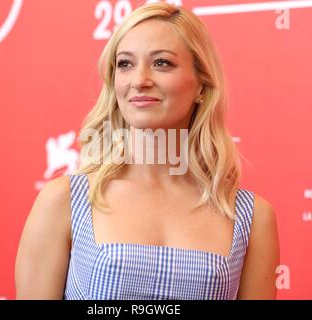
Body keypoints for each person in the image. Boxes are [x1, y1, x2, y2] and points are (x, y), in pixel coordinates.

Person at [15, 2, 280, 300]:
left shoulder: (252, 218)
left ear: (201, 86)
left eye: (162, 63)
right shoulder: (65, 201)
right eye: (125, 64)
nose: (139, 80)